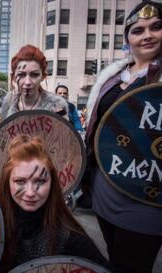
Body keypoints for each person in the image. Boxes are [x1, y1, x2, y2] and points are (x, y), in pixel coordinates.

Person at [84, 2, 162, 272]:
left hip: (146, 196)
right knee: (115, 261)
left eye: (156, 27)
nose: (147, 35)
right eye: (138, 30)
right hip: (104, 189)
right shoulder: (112, 77)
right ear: (128, 38)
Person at [0, 134, 112, 272]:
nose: (30, 192)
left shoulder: (70, 238)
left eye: (40, 181)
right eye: (20, 181)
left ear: (52, 184)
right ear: (7, 184)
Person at [1, 44, 68, 120]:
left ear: (43, 76)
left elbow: (64, 130)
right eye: (21, 75)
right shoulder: (7, 104)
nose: (27, 82)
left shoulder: (57, 107)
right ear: (13, 77)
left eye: (34, 75)